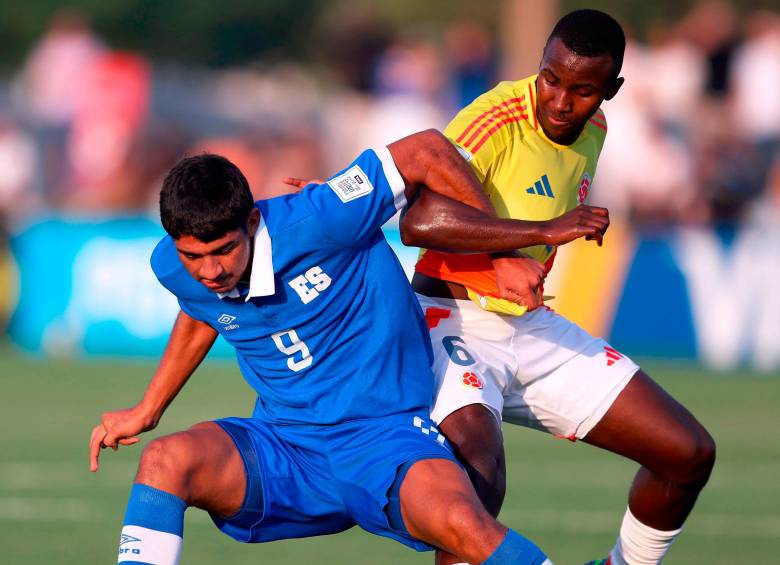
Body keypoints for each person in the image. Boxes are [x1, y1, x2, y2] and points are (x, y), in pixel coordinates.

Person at [89, 128, 610, 565]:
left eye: (223, 251)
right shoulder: (173, 267)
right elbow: (201, 308)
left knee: (462, 520)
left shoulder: (321, 217)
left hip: (383, 441)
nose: (210, 271)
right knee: (164, 461)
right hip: (284, 448)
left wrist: (501, 251)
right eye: (193, 257)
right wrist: (148, 409)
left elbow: (426, 149)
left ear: (251, 222)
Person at [401, 10, 716, 565]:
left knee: (686, 452)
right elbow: (418, 219)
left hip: (529, 324)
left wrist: (520, 250)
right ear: (540, 65)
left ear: (611, 90)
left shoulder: (595, 130)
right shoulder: (494, 118)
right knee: (477, 482)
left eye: (582, 90)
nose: (560, 101)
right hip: (447, 317)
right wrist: (527, 240)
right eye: (551, 79)